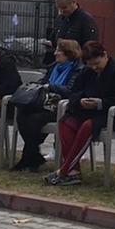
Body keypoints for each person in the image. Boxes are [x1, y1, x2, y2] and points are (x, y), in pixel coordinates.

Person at [45, 41, 115, 186]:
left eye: (97, 64)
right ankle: (73, 171)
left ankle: (63, 170)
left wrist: (100, 103)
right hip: (88, 112)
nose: (94, 68)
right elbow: (73, 93)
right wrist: (80, 101)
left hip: (114, 115)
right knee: (66, 122)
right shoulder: (88, 71)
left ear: (104, 55)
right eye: (90, 65)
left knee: (88, 126)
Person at [13, 38, 83, 172]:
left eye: (59, 51)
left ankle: (29, 158)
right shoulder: (53, 67)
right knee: (22, 114)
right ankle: (33, 156)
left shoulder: (77, 70)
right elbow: (43, 81)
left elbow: (71, 91)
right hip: (45, 103)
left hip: (62, 107)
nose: (55, 53)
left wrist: (51, 87)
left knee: (34, 119)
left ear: (69, 54)